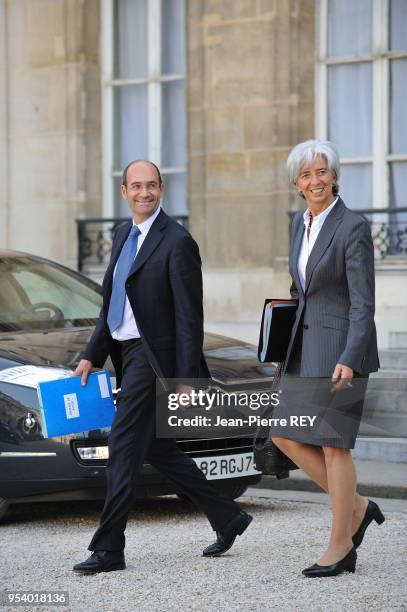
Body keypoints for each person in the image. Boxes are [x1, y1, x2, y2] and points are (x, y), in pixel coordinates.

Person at [72, 160, 252, 574]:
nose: (144, 193)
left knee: (121, 447)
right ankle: (227, 516)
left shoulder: (177, 241)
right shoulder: (122, 235)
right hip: (126, 354)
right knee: (155, 446)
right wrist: (90, 354)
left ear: (161, 189)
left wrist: (185, 380)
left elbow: (191, 318)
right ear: (123, 191)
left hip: (154, 361)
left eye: (151, 186)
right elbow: (111, 304)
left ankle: (109, 548)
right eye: (136, 186)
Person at [271, 140, 384, 578]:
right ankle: (357, 507)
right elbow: (301, 289)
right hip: (303, 350)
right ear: (296, 184)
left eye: (321, 172)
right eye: (305, 175)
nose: (314, 181)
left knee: (335, 448)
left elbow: (363, 304)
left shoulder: (352, 226)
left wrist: (351, 357)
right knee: (284, 435)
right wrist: (277, 335)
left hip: (342, 354)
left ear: (334, 176)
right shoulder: (299, 225)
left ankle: (340, 545)